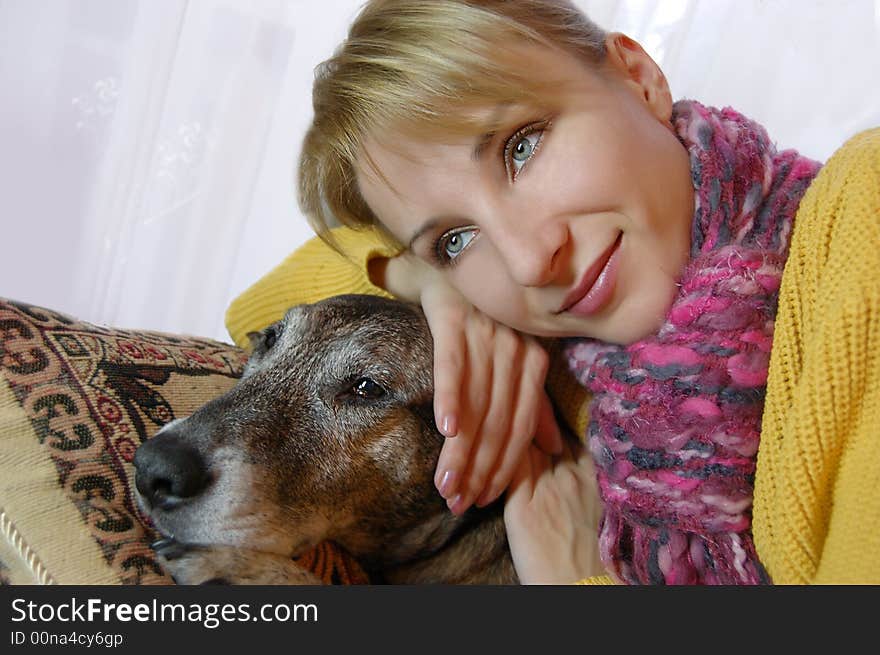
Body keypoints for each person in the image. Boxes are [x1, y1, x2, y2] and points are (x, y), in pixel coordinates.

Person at [226, 0, 880, 584]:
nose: (530, 261)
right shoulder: (573, 362)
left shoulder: (861, 220)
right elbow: (254, 313)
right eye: (455, 237)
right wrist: (433, 287)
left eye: (521, 147)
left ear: (638, 76)